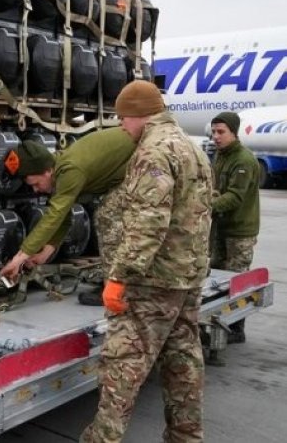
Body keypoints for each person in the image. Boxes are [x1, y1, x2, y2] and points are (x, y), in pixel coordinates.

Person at [79, 80, 213, 443]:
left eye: (123, 118)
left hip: (153, 281)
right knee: (183, 361)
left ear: (139, 114)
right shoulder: (192, 147)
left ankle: (102, 439)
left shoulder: (154, 151)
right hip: (188, 275)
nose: (122, 126)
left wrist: (120, 275)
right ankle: (186, 437)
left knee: (123, 365)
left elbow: (148, 220)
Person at [0, 128, 136, 307]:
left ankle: (117, 289)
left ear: (47, 171)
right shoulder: (60, 169)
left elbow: (54, 216)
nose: (36, 190)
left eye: (36, 184)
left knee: (107, 217)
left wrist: (19, 258)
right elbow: (63, 217)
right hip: (129, 171)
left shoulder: (70, 170)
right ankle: (119, 282)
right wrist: (43, 255)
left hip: (146, 165)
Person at [209, 111, 260, 346]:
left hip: (239, 231)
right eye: (214, 131)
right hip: (220, 227)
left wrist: (205, 206)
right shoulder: (221, 156)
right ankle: (219, 324)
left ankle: (237, 328)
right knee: (216, 278)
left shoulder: (243, 160)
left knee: (236, 281)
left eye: (221, 132)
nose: (216, 137)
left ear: (234, 132)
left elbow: (235, 197)